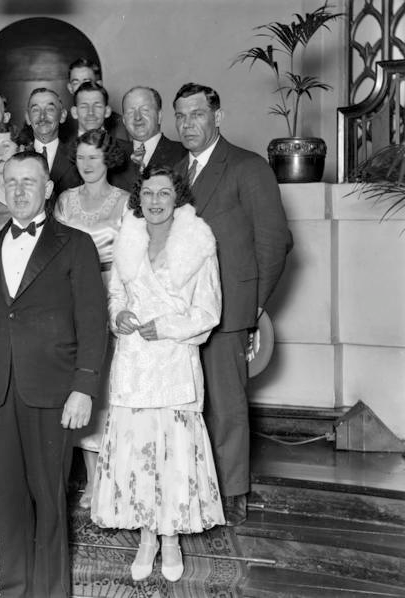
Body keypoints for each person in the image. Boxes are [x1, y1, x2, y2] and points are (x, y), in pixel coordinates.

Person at [0, 151, 108, 598]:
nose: (20, 190)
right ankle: (15, 590)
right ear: (2, 188)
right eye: (12, 182)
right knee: (9, 498)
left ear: (48, 189)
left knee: (49, 500)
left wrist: (84, 387)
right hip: (1, 389)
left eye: (30, 181)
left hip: (53, 389)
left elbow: (92, 322)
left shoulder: (75, 243)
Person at [91, 165, 225, 582]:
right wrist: (119, 315)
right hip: (133, 365)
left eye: (164, 193)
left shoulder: (199, 243)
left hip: (173, 365)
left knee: (172, 457)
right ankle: (147, 537)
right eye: (147, 193)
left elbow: (210, 312)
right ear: (138, 198)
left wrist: (165, 326)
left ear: (177, 197)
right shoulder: (128, 237)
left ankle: (170, 539)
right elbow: (114, 293)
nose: (154, 201)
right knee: (140, 456)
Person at [173, 83, 293, 526]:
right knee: (186, 404)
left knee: (226, 405)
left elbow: (276, 242)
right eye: (181, 116)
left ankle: (233, 492)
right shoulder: (172, 170)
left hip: (228, 312)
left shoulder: (248, 167)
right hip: (180, 312)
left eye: (197, 114)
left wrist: (253, 309)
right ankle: (193, 490)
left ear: (217, 117)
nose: (188, 124)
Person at [53, 129, 130, 508]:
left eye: (93, 158)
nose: (86, 164)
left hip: (112, 290)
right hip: (71, 294)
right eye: (81, 157)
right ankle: (88, 478)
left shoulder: (126, 202)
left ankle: (110, 476)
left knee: (109, 384)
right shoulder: (65, 201)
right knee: (83, 380)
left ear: (108, 160)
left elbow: (134, 257)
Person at [110, 86, 187, 193]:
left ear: (159, 116)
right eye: (130, 112)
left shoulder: (183, 153)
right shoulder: (113, 156)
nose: (137, 117)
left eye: (145, 110)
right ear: (124, 120)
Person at [25, 88, 81, 208]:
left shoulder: (78, 157)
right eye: (35, 110)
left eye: (50, 109)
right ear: (28, 118)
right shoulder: (18, 157)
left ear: (63, 115)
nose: (42, 116)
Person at [59, 58, 129, 143]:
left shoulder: (117, 123)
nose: (83, 87)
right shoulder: (62, 124)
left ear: (99, 84)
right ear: (70, 88)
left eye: (87, 81)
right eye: (76, 83)